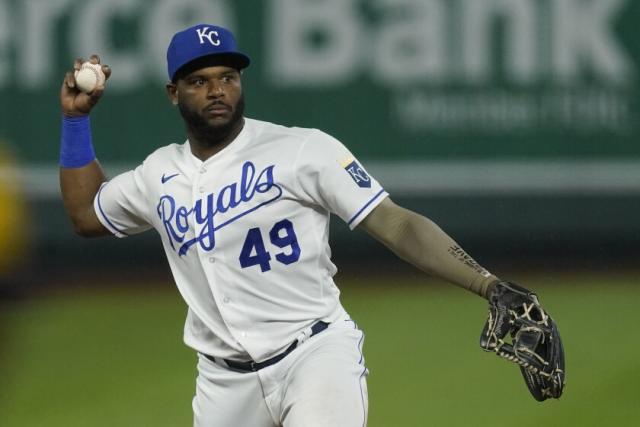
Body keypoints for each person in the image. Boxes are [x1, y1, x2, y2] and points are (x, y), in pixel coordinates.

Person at [58, 24, 555, 427]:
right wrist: (76, 122)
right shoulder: (158, 174)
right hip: (223, 384)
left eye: (228, 77)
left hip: (315, 356)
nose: (217, 90)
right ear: (174, 93)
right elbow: (87, 215)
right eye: (199, 80)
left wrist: (488, 284)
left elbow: (397, 225)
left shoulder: (301, 149)